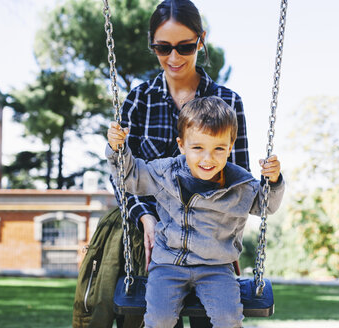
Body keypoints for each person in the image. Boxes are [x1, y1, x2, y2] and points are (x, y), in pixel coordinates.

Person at [109, 0, 251, 327]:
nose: (173, 58)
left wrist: (225, 242)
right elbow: (124, 175)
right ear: (152, 45)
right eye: (162, 47)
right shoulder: (138, 101)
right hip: (148, 243)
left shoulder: (228, 102)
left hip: (210, 240)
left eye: (185, 47)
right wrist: (145, 217)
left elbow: (239, 180)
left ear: (201, 41)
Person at [107, 96, 284, 327]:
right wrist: (117, 148)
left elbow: (266, 205)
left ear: (230, 147)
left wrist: (273, 180)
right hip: (167, 265)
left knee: (228, 318)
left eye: (219, 148)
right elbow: (129, 178)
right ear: (182, 145)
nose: (207, 158)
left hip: (216, 268)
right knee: (159, 319)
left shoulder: (240, 185)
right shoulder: (165, 173)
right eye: (198, 147)